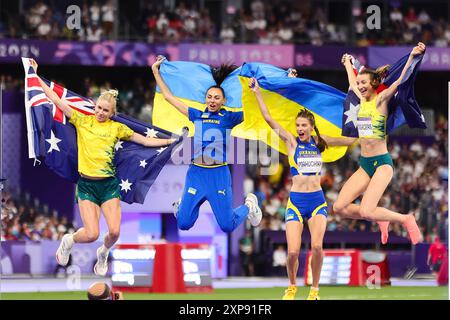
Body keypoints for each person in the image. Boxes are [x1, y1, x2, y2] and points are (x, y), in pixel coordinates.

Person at [30, 59, 175, 276]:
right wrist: (34, 74)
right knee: (90, 233)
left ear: (111, 112)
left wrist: (168, 142)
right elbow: (57, 100)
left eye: (105, 110)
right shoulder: (82, 120)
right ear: (94, 106)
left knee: (114, 232)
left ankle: (104, 252)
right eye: (98, 108)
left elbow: (144, 140)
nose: (100, 112)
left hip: (109, 186)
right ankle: (68, 240)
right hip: (87, 185)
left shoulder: (117, 128)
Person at [250, 77, 355, 300]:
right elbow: (268, 118)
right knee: (293, 252)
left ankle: (315, 290)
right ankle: (291, 286)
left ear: (311, 126)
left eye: (303, 126)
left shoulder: (320, 142)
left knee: (317, 247)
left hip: (317, 201)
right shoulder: (291, 142)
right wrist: (258, 92)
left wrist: (358, 112)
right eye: (298, 126)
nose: (299, 129)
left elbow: (349, 141)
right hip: (296, 202)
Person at [151, 55, 262, 233]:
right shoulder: (196, 115)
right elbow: (168, 97)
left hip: (219, 175)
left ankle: (249, 206)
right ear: (205, 99)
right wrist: (155, 71)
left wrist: (260, 90)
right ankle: (182, 206)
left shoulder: (229, 117)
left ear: (223, 101)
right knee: (183, 224)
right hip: (196, 173)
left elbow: (255, 110)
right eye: (209, 97)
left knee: (227, 225)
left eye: (217, 98)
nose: (212, 100)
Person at [333, 43, 426, 245]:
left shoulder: (380, 100)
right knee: (339, 208)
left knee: (367, 210)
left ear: (375, 83)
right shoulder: (359, 100)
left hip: (382, 164)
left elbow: (401, 79)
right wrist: (348, 63)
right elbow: (351, 83)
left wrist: (412, 55)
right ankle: (381, 218)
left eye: (364, 83)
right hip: (365, 164)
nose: (360, 86)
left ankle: (405, 219)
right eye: (359, 84)